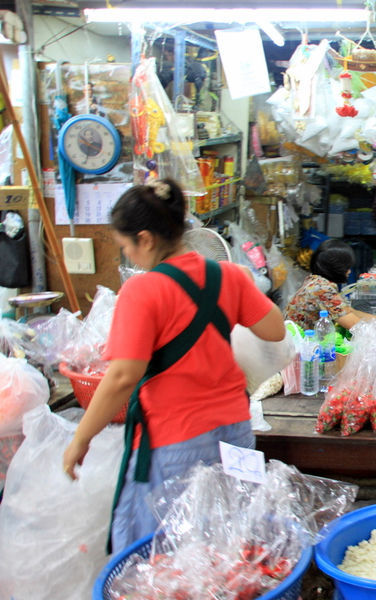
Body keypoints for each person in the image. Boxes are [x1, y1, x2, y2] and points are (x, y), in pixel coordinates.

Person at [61, 179, 285, 552]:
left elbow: (121, 377)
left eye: (126, 246)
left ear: (145, 239)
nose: (130, 255)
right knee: (230, 543)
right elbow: (274, 329)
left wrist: (80, 438)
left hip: (176, 441)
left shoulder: (142, 290)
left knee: (171, 556)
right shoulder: (228, 275)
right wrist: (244, 283)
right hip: (236, 431)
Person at [284, 239, 376, 331]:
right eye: (347, 267)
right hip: (300, 343)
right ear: (336, 267)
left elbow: (348, 311)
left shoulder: (316, 280)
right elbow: (356, 327)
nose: (349, 271)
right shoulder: (322, 289)